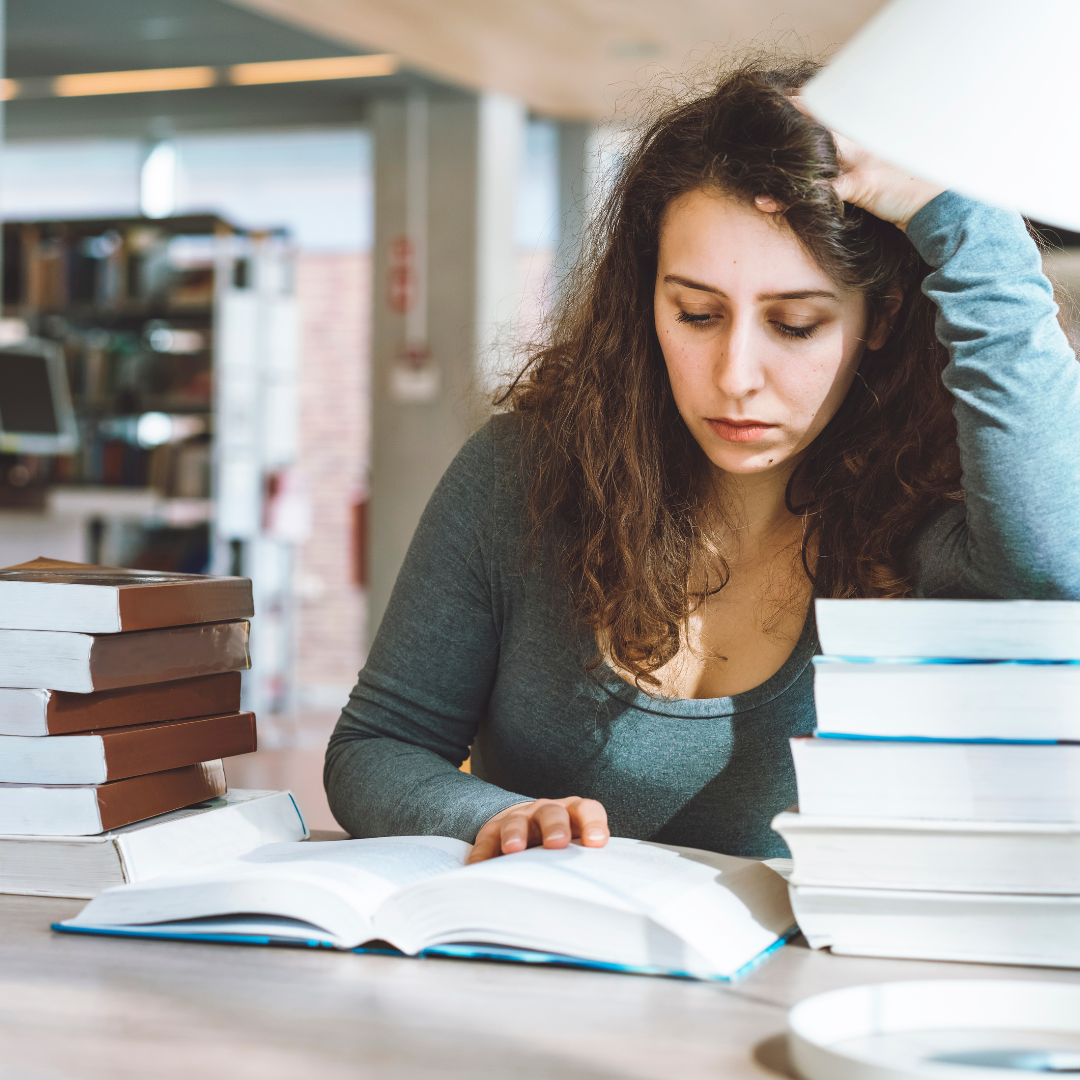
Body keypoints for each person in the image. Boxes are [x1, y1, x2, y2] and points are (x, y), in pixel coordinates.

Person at [325, 59, 1080, 863]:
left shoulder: (930, 516)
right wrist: (486, 815)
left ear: (882, 319)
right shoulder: (521, 474)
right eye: (696, 313)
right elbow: (378, 745)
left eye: (795, 325)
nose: (735, 376)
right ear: (645, 299)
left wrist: (957, 214)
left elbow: (1052, 571)